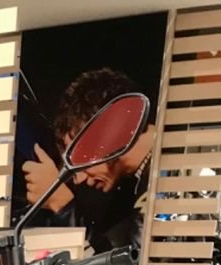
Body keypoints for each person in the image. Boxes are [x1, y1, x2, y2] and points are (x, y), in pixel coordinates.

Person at [22, 67, 156, 254]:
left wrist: (62, 205)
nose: (78, 179)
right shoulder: (148, 176)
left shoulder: (165, 182)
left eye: (81, 158)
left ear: (112, 131)